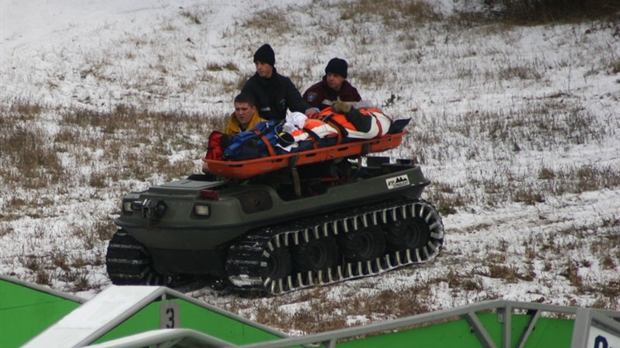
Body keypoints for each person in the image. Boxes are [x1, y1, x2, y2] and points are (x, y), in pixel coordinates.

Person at [241, 44, 319, 121]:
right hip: (258, 129)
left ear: (271, 64)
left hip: (280, 128)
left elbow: (296, 101)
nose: (259, 67)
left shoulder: (284, 83)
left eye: (262, 63)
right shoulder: (250, 86)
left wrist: (308, 109)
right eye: (257, 63)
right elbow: (242, 109)